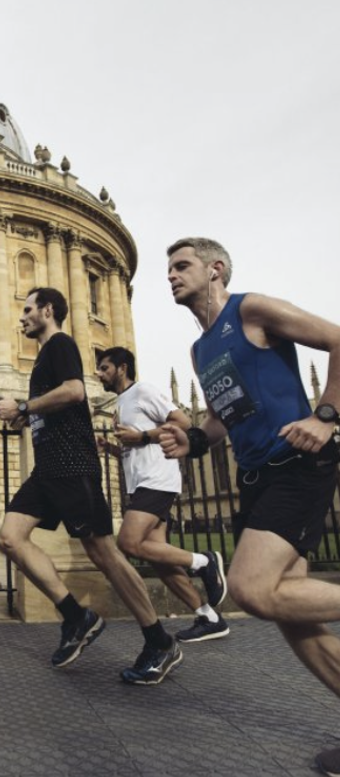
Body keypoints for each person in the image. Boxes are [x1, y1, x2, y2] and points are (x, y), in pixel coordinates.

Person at [160, 237, 340, 776]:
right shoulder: (200, 350)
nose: (170, 275)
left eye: (182, 265)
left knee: (252, 590)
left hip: (298, 462)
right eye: (168, 269)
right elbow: (222, 418)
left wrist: (326, 414)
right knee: (296, 622)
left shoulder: (252, 310)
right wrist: (192, 441)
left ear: (215, 270)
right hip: (256, 477)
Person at [0, 287, 182, 686]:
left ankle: (159, 640)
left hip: (73, 465)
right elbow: (59, 405)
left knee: (104, 554)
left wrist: (25, 407)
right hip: (47, 469)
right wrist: (28, 419)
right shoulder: (44, 356)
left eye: (27, 309)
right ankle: (77, 617)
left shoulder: (60, 343)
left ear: (47, 310)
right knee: (10, 537)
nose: (22, 316)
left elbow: (76, 391)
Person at [96, 346, 229, 642]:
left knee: (128, 542)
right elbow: (137, 449)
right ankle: (209, 617)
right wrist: (114, 448)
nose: (99, 373)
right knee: (161, 561)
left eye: (104, 367)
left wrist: (142, 435)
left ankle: (204, 561)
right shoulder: (122, 403)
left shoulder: (143, 390)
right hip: (142, 481)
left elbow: (183, 423)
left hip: (157, 479)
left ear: (121, 368)